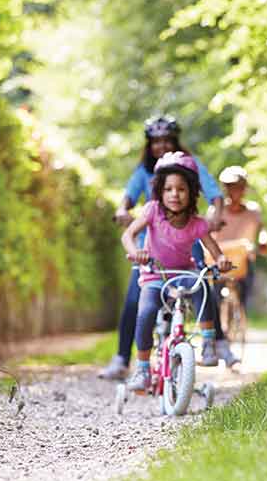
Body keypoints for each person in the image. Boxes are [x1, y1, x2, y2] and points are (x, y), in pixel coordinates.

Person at [99, 116, 237, 379]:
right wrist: (121, 211)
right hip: (149, 252)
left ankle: (216, 342)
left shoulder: (190, 167)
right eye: (156, 141)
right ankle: (122, 359)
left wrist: (216, 216)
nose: (161, 145)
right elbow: (127, 198)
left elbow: (213, 193)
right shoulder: (145, 175)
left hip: (186, 243)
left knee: (202, 283)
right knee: (135, 302)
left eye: (167, 140)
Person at [121, 151, 233, 391]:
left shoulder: (197, 223)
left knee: (203, 287)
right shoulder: (152, 211)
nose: (174, 194)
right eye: (169, 189)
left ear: (192, 192)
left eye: (181, 189)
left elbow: (215, 250)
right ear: (160, 191)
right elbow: (128, 234)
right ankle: (142, 370)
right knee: (146, 313)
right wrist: (135, 252)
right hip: (155, 274)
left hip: (184, 273)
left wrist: (222, 260)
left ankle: (208, 343)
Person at [209, 165, 267, 311]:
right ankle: (219, 329)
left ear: (244, 188)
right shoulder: (216, 211)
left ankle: (240, 315)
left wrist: (263, 242)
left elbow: (262, 229)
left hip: (243, 259)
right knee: (214, 298)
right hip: (220, 258)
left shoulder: (253, 211)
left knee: (244, 295)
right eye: (230, 186)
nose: (235, 190)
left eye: (239, 186)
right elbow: (206, 234)